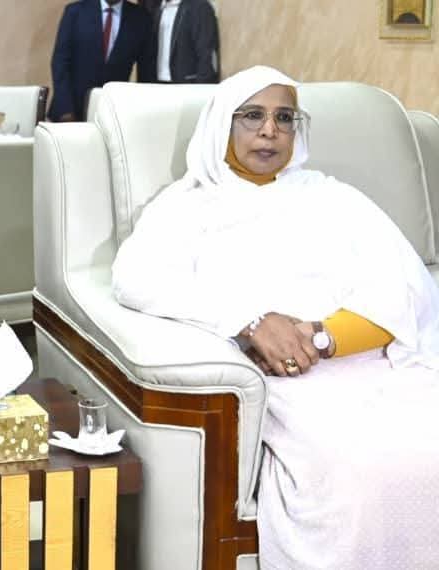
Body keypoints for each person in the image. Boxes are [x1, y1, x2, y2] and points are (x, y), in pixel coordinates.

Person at [111, 65, 439, 568]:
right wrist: (251, 321)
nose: (269, 130)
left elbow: (402, 286)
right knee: (357, 473)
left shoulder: (333, 196)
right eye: (253, 116)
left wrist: (318, 337)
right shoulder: (186, 206)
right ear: (223, 123)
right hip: (286, 384)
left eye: (284, 118)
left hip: (371, 363)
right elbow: (135, 279)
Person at [48, 0, 155, 122]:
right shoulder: (75, 12)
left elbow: (146, 73)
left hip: (113, 114)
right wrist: (65, 110)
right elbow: (60, 62)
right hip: (70, 112)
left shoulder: (141, 18)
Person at [139, 0, 219, 83]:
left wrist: (200, 88)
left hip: (187, 85)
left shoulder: (200, 7)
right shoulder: (157, 9)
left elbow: (206, 54)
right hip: (158, 83)